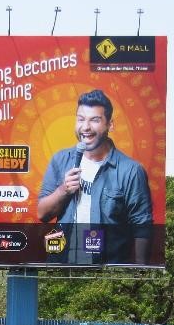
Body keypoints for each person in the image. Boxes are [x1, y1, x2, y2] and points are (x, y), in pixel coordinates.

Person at [37, 89, 153, 265]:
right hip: (63, 268)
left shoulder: (131, 170)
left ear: (110, 125)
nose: (85, 127)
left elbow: (142, 227)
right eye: (81, 119)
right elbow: (42, 213)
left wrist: (139, 272)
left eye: (95, 120)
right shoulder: (60, 160)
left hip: (108, 274)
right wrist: (63, 190)